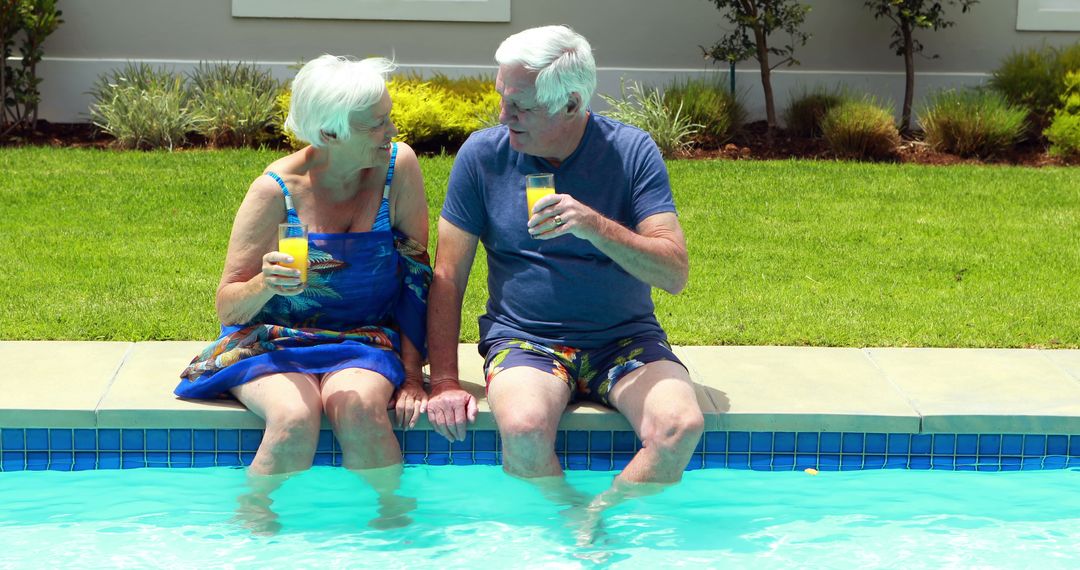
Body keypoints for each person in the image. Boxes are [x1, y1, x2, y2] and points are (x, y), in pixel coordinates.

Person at [425, 25, 705, 527]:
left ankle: (599, 517)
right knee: (525, 427)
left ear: (572, 104)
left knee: (679, 426)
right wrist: (444, 379)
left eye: (522, 107)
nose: (503, 116)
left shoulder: (631, 152)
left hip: (624, 340)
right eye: (502, 99)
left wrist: (594, 226)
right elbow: (448, 274)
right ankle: (570, 522)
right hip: (527, 341)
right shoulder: (483, 157)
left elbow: (674, 270)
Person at [175, 54, 431, 532]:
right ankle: (253, 529)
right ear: (330, 134)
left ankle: (396, 528)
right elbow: (228, 304)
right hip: (273, 337)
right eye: (377, 124)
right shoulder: (274, 192)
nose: (391, 130)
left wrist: (414, 377)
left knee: (359, 410)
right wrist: (264, 283)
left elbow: (416, 276)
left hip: (365, 338)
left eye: (388, 117)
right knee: (293, 416)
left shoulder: (399, 168)